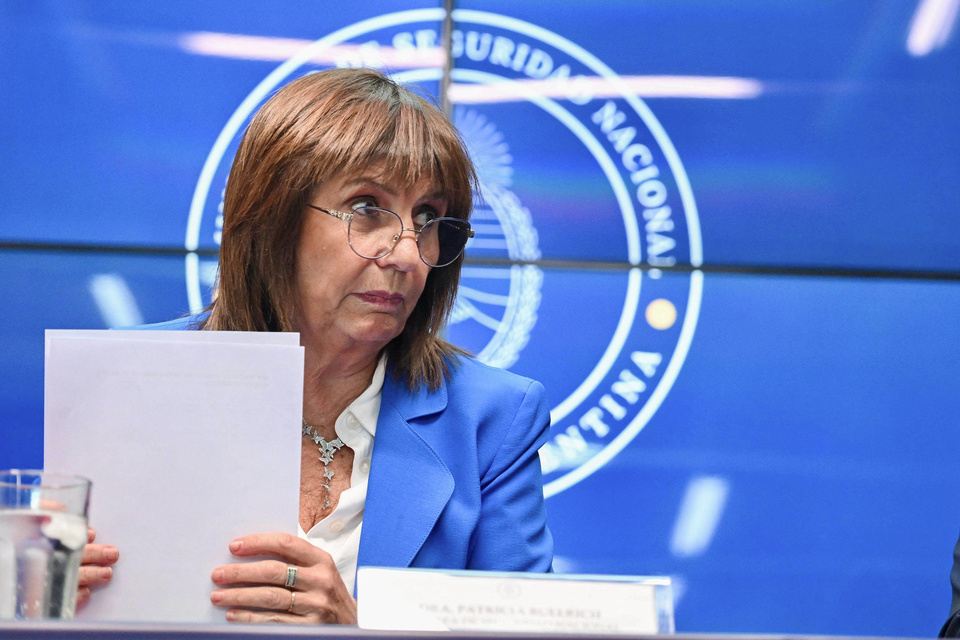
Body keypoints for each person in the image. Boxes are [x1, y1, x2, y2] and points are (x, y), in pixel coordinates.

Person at [78, 67, 553, 624]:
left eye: (428, 218)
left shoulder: (491, 419)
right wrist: (38, 597)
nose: (407, 255)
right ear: (273, 218)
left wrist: (353, 633)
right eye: (367, 209)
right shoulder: (130, 380)